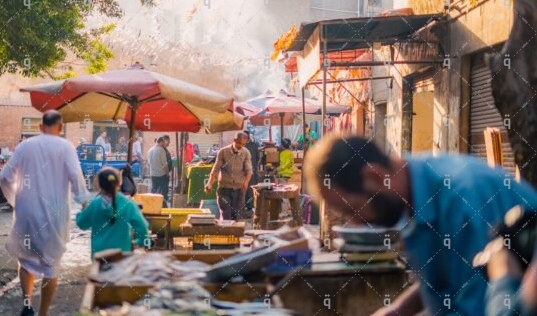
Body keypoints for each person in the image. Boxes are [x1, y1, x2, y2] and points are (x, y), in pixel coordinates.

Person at [304, 136, 537, 316]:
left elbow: (480, 302)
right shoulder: (411, 191)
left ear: (374, 176)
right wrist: (397, 310)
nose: (356, 223)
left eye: (352, 209)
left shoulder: (463, 199)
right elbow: (449, 281)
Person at [0, 110, 91, 316]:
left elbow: (4, 176)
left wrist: (16, 200)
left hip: (26, 214)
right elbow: (76, 177)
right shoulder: (66, 147)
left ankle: (27, 305)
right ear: (60, 127)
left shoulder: (25, 146)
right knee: (51, 265)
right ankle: (43, 313)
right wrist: (84, 202)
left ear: (40, 127)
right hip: (54, 216)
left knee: (26, 260)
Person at [76, 167, 149, 258]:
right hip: (122, 253)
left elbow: (82, 224)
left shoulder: (95, 204)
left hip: (99, 255)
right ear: (119, 183)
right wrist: (140, 242)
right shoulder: (128, 204)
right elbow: (142, 227)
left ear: (99, 185)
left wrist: (82, 211)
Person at [205, 132, 253, 221]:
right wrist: (209, 183)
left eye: (243, 144)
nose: (241, 146)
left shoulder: (246, 153)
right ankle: (225, 233)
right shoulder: (223, 152)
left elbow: (249, 170)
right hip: (224, 189)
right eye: (239, 143)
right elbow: (215, 170)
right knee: (226, 216)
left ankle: (234, 234)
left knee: (236, 217)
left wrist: (246, 183)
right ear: (234, 140)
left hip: (239, 190)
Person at [148, 137, 170, 207]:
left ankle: (152, 205)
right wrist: (167, 173)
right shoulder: (161, 150)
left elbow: (149, 163)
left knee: (153, 191)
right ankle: (161, 206)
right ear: (161, 142)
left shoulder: (150, 150)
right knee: (161, 192)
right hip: (161, 174)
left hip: (153, 174)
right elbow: (165, 164)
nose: (164, 144)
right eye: (164, 143)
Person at [243, 130, 260, 213]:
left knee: (246, 188)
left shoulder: (242, 147)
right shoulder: (254, 145)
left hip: (245, 171)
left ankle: (246, 206)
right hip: (253, 170)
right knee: (250, 188)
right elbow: (258, 158)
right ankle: (250, 206)